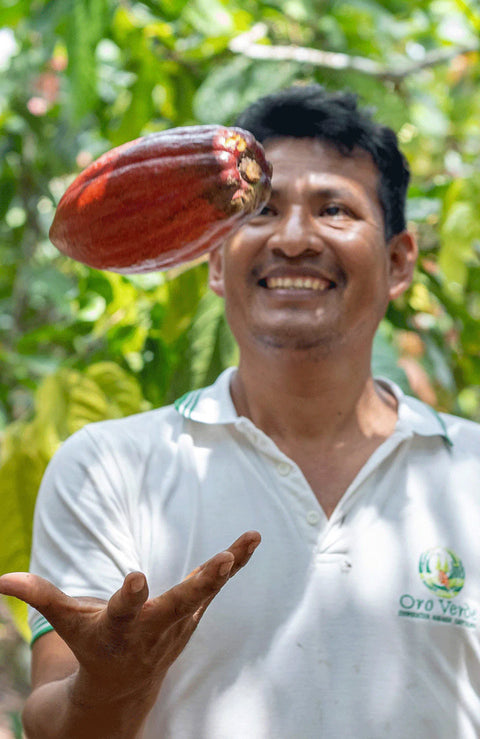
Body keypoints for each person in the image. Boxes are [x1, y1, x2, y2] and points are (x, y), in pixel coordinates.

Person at [1, 83, 480, 738]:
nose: (292, 238)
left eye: (334, 208)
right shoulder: (108, 467)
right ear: (215, 261)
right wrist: (107, 684)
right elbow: (58, 725)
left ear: (398, 262)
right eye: (260, 211)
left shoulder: (470, 476)